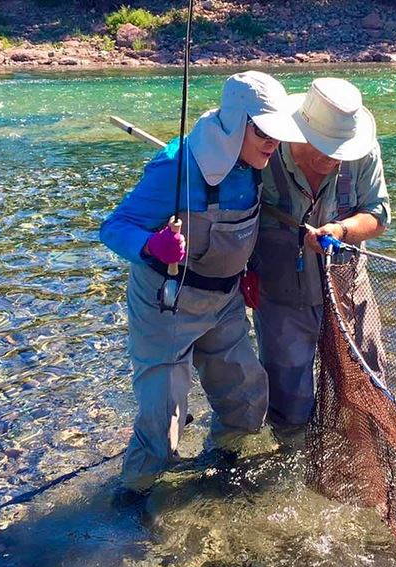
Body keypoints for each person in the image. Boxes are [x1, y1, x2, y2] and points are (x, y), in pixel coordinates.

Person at [99, 71, 306, 495]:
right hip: (167, 302)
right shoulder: (175, 166)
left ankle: (221, 468)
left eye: (279, 132)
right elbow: (114, 227)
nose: (274, 142)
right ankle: (130, 500)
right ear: (235, 124)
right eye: (265, 131)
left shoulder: (260, 163)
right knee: (163, 421)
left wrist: (245, 268)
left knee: (247, 398)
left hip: (225, 299)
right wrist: (150, 246)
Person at [251, 78, 391, 429]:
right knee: (290, 411)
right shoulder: (262, 153)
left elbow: (378, 216)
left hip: (349, 289)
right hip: (280, 297)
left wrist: (341, 230)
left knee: (369, 389)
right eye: (323, 147)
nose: (332, 158)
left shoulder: (364, 153)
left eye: (340, 149)